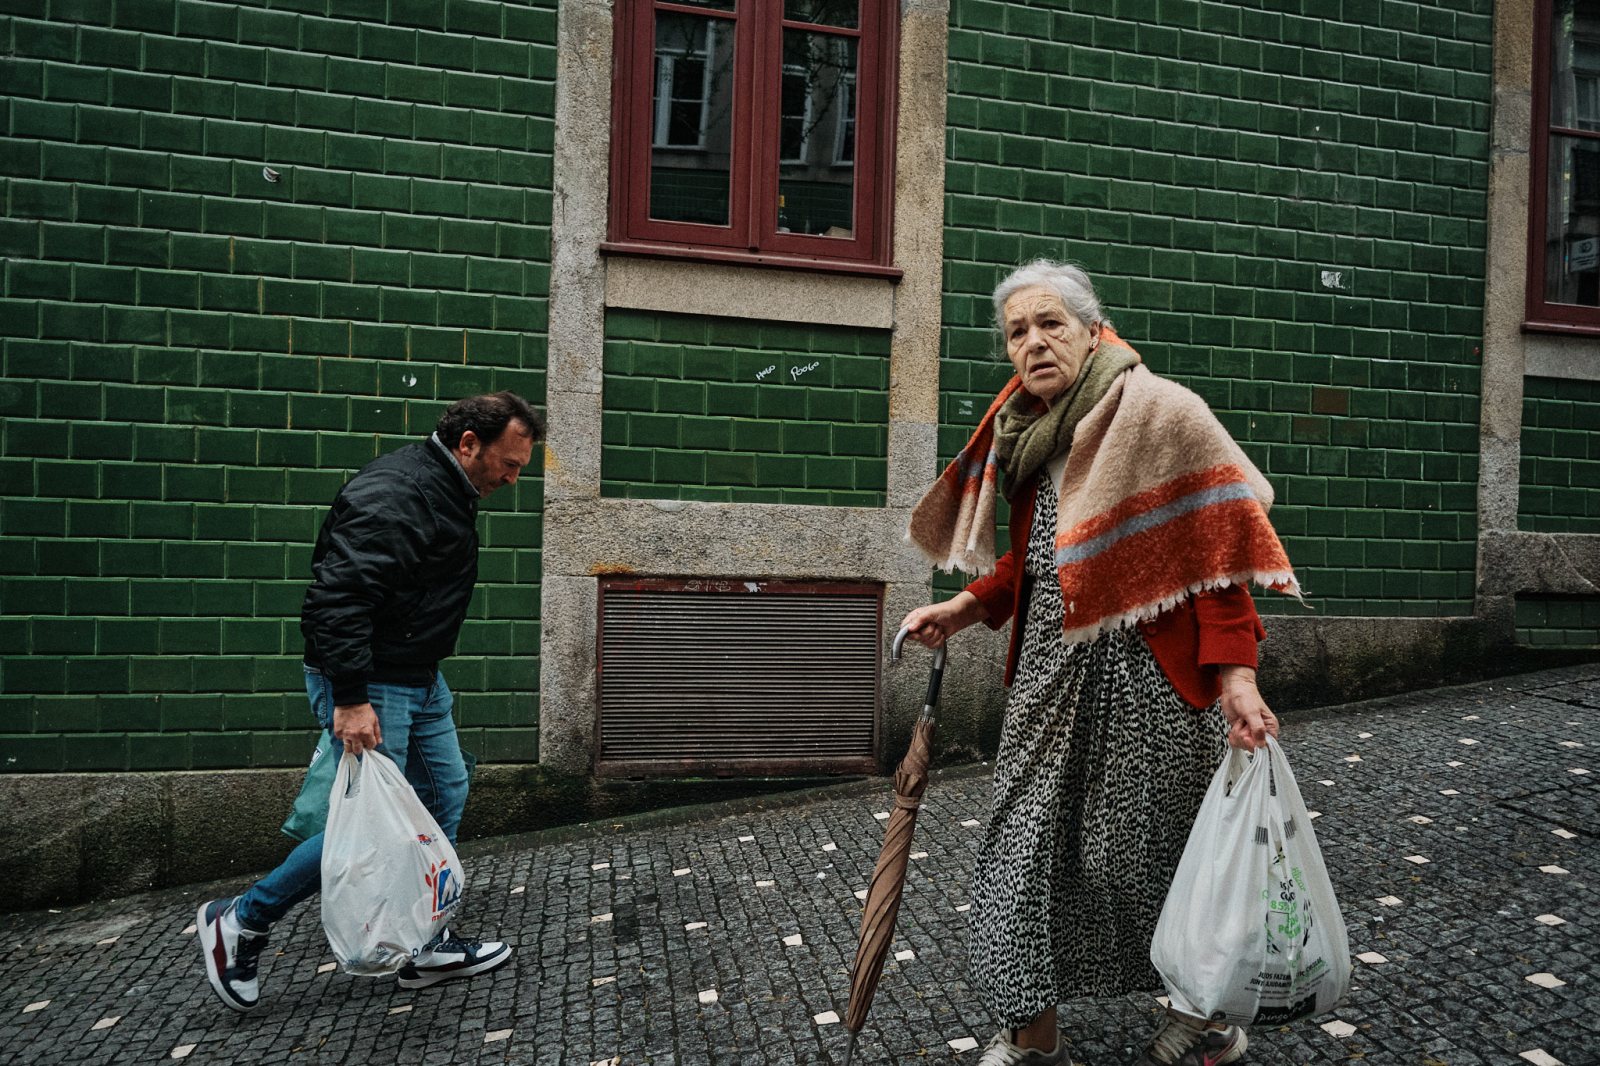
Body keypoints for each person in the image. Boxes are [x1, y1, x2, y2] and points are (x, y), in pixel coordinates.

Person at [900, 261, 1300, 1066]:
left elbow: (1218, 560)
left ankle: (1207, 1018)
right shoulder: (1023, 432)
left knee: (1148, 857)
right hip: (1049, 682)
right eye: (1018, 331)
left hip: (1147, 683)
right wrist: (966, 606)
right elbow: (1037, 562)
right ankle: (1031, 1029)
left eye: (1051, 324)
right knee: (1021, 843)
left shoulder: (1161, 413)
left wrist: (1238, 678)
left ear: (1092, 328)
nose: (1034, 342)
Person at [197, 391, 543, 1013]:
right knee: (362, 828)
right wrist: (352, 697)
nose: (513, 479)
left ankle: (426, 940)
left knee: (442, 795)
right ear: (469, 444)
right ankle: (241, 923)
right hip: (373, 682)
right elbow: (338, 599)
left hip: (415, 675)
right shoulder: (398, 494)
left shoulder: (443, 488)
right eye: (510, 464)